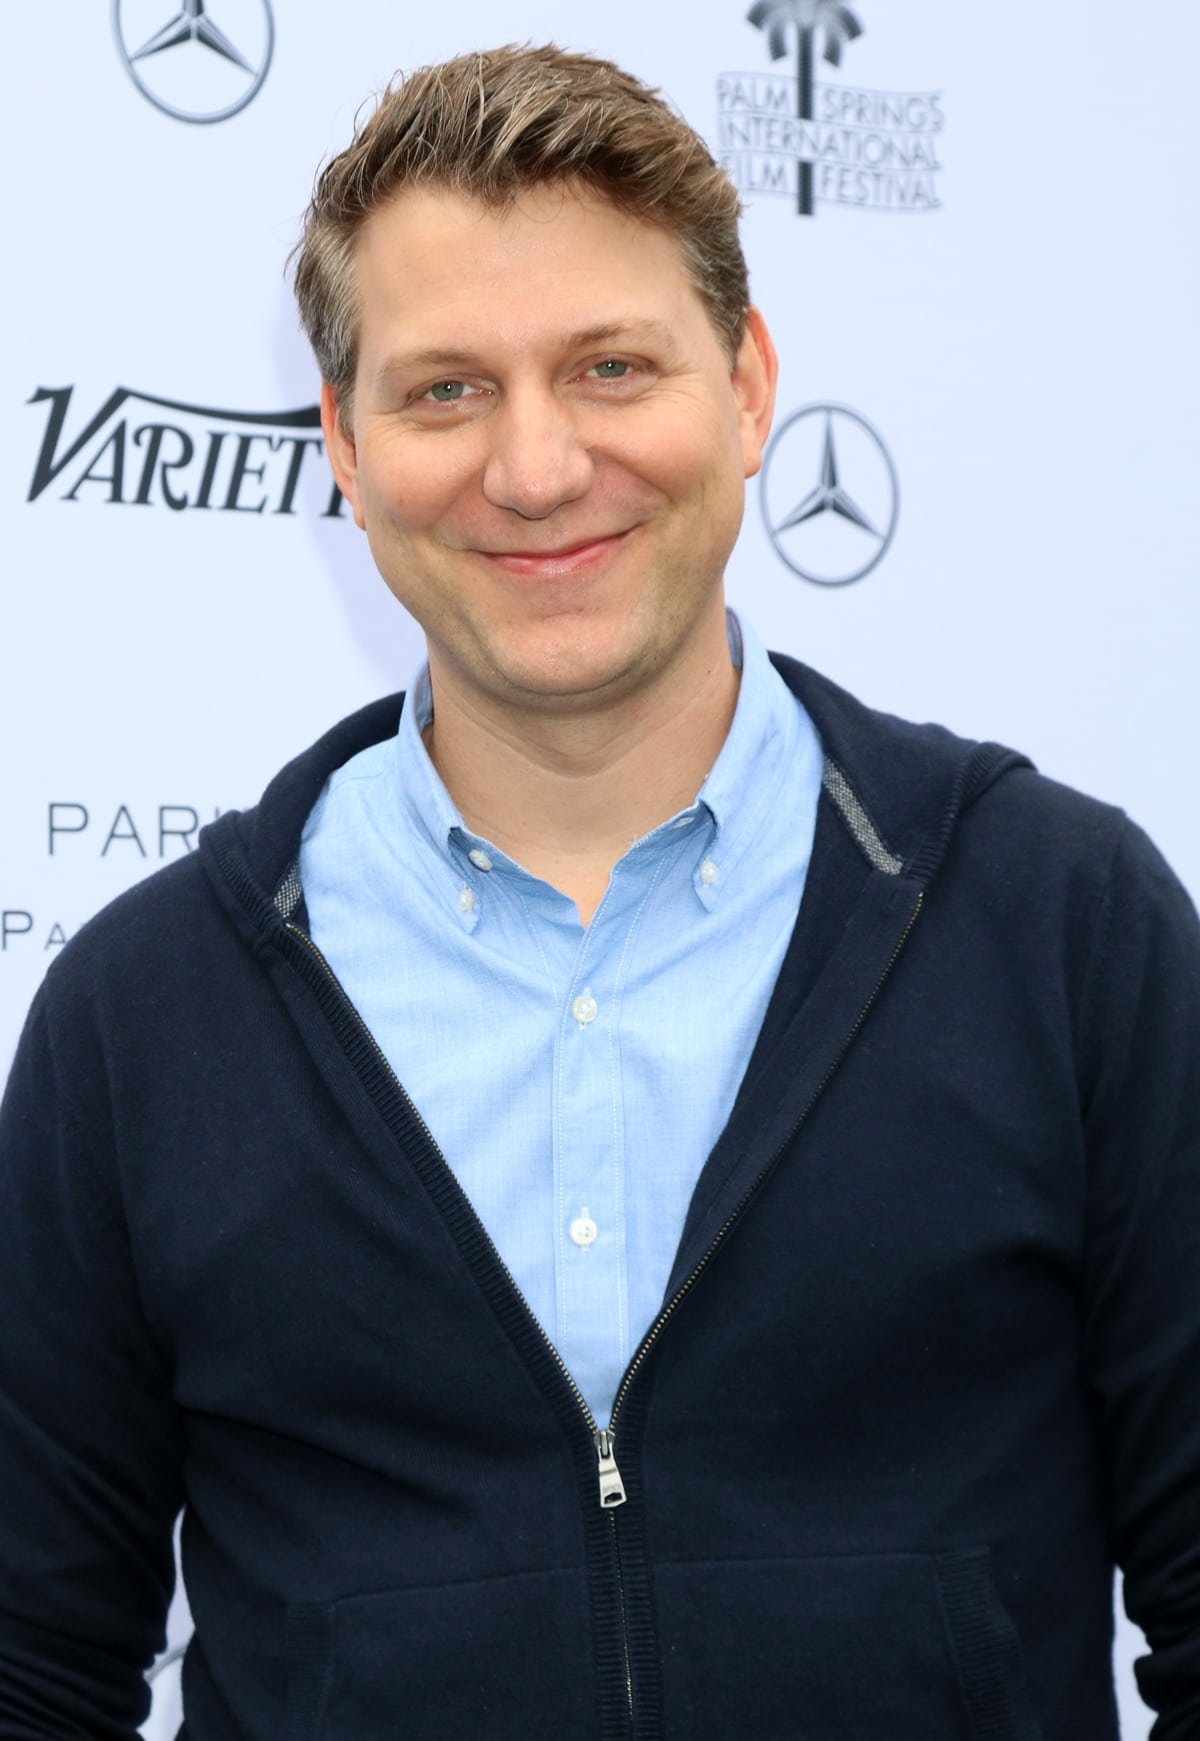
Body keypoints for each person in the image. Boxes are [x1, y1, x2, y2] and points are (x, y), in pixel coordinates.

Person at [1, 41, 1197, 1741]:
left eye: (611, 367)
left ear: (749, 384)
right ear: (342, 443)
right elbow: (33, 1663)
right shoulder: (144, 1017)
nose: (539, 465)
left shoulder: (1065, 926)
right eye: (445, 391)